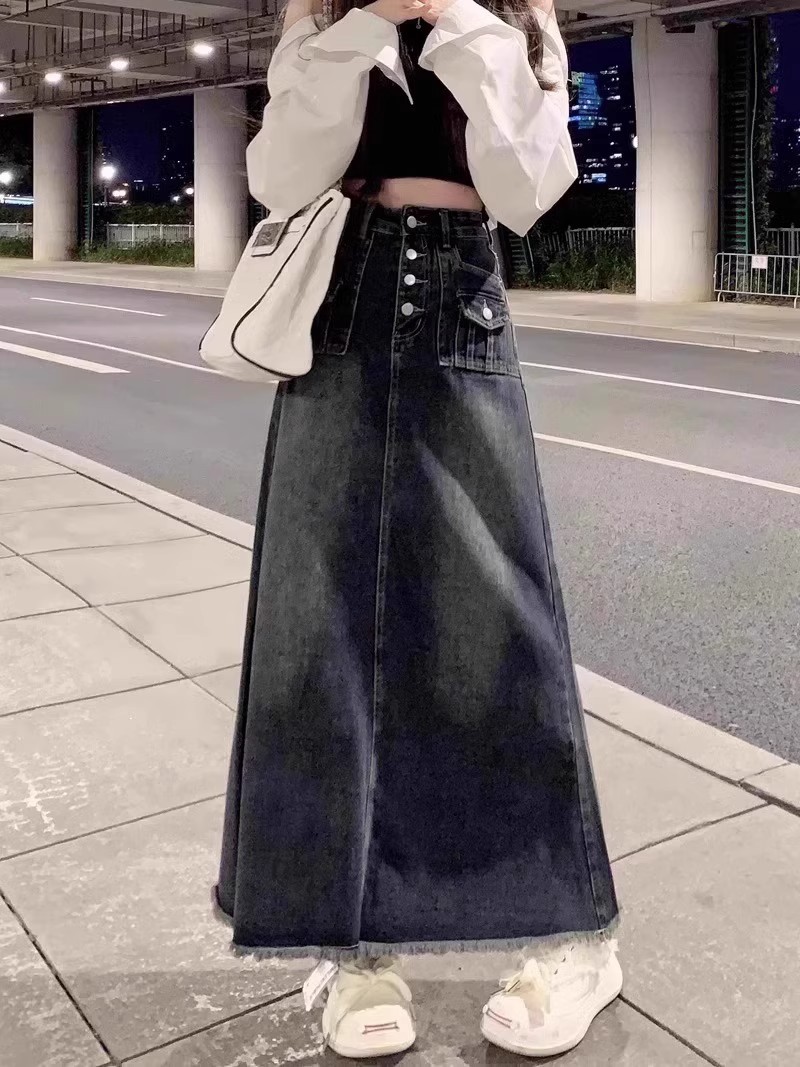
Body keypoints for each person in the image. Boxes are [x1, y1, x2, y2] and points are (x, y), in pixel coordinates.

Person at [214, 0, 621, 1058]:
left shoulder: (516, 20)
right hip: (339, 304)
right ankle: (350, 944)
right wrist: (360, 31)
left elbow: (530, 190)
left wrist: (452, 18)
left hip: (460, 300)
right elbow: (280, 177)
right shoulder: (318, 17)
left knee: (500, 629)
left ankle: (570, 936)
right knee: (316, 625)